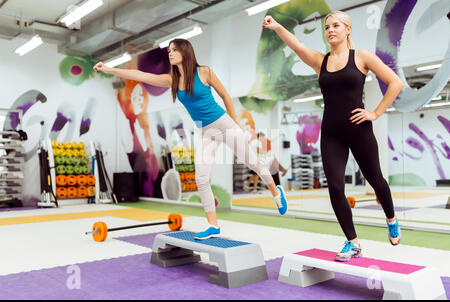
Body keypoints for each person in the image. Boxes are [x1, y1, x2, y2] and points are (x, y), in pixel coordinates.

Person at [93, 38, 288, 240]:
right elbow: (141, 74)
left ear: (185, 51)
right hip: (205, 131)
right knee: (201, 178)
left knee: (252, 162)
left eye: (174, 50)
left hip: (224, 123)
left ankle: (275, 191)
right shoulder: (172, 80)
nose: (170, 53)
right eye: (169, 50)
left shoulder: (204, 72)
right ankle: (213, 225)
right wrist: (109, 69)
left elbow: (225, 95)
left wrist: (236, 121)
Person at [263, 11, 404, 262]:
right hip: (331, 133)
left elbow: (395, 83)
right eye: (327, 27)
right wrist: (276, 28)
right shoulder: (321, 61)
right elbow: (297, 45)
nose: (330, 30)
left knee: (376, 180)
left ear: (348, 29)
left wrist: (375, 113)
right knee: (336, 186)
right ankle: (353, 242)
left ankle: (391, 220)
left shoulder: (362, 57)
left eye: (336, 25)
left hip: (359, 129)